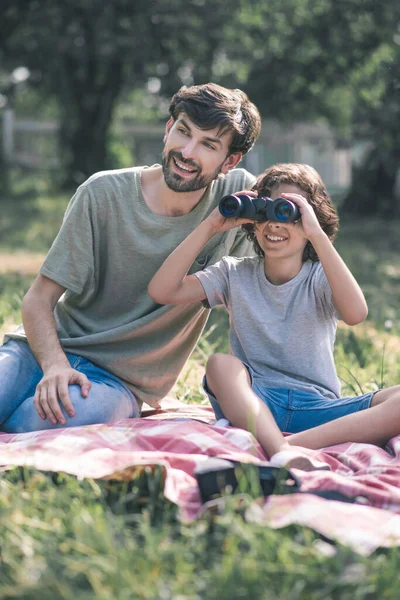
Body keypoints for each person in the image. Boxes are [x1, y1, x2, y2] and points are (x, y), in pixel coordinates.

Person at [0, 83, 261, 433]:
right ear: (168, 129)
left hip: (118, 379)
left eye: (208, 145)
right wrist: (54, 366)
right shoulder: (102, 192)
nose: (187, 151)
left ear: (229, 161)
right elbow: (38, 300)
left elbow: (260, 297)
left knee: (43, 423)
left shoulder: (235, 200)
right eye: (183, 132)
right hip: (41, 351)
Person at [148, 162, 400, 470]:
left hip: (318, 407)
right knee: (220, 365)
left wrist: (317, 235)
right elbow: (162, 291)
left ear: (311, 221)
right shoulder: (234, 273)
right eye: (264, 212)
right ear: (253, 220)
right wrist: (210, 225)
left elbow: (356, 314)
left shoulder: (321, 276)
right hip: (253, 399)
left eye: (288, 212)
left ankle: (281, 446)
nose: (274, 224)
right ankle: (278, 447)